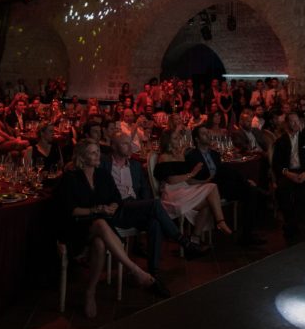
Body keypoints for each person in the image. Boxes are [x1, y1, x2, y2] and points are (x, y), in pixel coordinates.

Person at [58, 141, 167, 318]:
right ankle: (135, 270)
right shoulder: (71, 177)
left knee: (100, 243)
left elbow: (116, 197)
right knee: (101, 223)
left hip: (100, 224)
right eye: (93, 153)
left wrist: (113, 206)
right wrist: (95, 210)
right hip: (77, 226)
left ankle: (90, 292)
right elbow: (69, 210)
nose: (98, 156)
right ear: (82, 157)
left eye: (98, 151)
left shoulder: (102, 174)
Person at [100, 134, 209, 273]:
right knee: (155, 204)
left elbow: (144, 189)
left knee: (155, 222)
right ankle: (185, 244)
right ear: (114, 147)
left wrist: (143, 204)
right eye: (124, 144)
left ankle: (153, 272)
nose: (130, 147)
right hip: (116, 207)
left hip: (134, 206)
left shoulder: (135, 165)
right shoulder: (104, 164)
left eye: (129, 143)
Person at [185, 126, 266, 246]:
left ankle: (247, 235)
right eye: (203, 134)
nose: (208, 135)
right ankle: (251, 186)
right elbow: (189, 179)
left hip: (222, 187)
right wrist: (206, 181)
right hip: (207, 188)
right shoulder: (192, 156)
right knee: (227, 170)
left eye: (208, 132)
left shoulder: (215, 154)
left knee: (251, 191)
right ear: (197, 139)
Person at [153, 130, 233, 239]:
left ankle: (195, 238)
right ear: (168, 142)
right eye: (175, 138)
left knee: (210, 196)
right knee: (212, 187)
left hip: (185, 188)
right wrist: (192, 173)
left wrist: (203, 182)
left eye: (179, 138)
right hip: (172, 192)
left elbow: (187, 181)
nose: (179, 140)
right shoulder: (164, 157)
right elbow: (171, 180)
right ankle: (220, 222)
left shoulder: (180, 156)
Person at [272, 112, 305, 242]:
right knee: (281, 191)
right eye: (292, 121)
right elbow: (276, 164)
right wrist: (288, 173)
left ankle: (290, 225)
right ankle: (292, 224)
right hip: (289, 172)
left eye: (297, 121)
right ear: (287, 124)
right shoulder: (281, 141)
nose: (296, 123)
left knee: (304, 192)